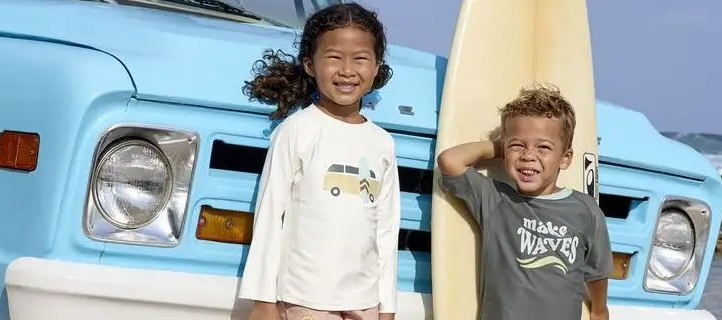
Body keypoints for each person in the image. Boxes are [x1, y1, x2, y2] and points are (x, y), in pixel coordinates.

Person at [236, 3, 398, 320]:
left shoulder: (382, 143)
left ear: (377, 67)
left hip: (364, 304)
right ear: (310, 64)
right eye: (334, 58)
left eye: (361, 59)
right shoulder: (297, 130)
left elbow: (386, 233)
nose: (347, 70)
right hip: (305, 302)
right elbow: (269, 218)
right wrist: (263, 301)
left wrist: (387, 306)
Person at [436, 84, 612, 320]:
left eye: (544, 147)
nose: (529, 155)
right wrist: (499, 146)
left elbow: (597, 271)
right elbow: (449, 161)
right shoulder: (495, 199)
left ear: (565, 158)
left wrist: (599, 310)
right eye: (518, 145)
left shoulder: (585, 209)